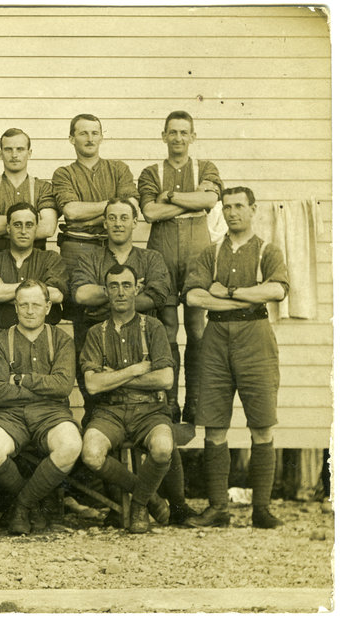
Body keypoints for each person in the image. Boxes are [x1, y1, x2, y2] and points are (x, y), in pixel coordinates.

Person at [184, 186, 289, 529]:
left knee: (262, 423)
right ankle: (218, 509)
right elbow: (196, 297)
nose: (232, 213)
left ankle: (261, 509)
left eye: (239, 206)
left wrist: (230, 292)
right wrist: (247, 297)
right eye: (227, 207)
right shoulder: (210, 253)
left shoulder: (267, 250)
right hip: (215, 338)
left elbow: (276, 290)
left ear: (253, 210)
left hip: (256, 337)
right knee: (214, 424)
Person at [139, 111, 223, 424]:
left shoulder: (206, 167)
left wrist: (171, 197)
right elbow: (149, 211)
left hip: (197, 254)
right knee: (167, 327)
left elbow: (211, 201)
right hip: (161, 253)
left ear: (193, 136)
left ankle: (196, 401)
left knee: (197, 326)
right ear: (163, 136)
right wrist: (193, 200)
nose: (178, 138)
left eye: (184, 132)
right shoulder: (151, 171)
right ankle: (170, 403)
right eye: (172, 132)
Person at [79, 264, 175, 534]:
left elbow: (165, 379)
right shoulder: (96, 333)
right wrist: (135, 370)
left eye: (126, 285)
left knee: (163, 447)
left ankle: (140, 505)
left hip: (150, 410)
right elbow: (93, 385)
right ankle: (149, 496)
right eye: (113, 286)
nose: (120, 292)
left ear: (137, 289)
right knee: (91, 454)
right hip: (110, 412)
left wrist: (115, 377)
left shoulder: (153, 327)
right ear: (106, 291)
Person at [0, 279, 81, 534]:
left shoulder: (62, 340)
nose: (29, 310)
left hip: (52, 414)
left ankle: (23, 506)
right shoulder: (1, 341)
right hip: (10, 416)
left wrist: (21, 379)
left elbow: (62, 387)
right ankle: (36, 505)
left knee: (70, 445)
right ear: (15, 307)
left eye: (36, 304)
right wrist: (41, 388)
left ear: (48, 307)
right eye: (23, 304)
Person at [71, 198, 170, 416]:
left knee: (148, 406)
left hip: (141, 339)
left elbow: (157, 297)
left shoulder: (151, 258)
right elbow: (80, 294)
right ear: (104, 223)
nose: (118, 223)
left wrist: (102, 297)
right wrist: (129, 292)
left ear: (135, 222)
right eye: (112, 218)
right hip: (99, 341)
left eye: (124, 218)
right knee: (97, 411)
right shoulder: (89, 259)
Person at [52, 114, 138, 317]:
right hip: (77, 248)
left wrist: (87, 218)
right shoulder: (64, 173)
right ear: (72, 139)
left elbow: (132, 205)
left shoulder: (118, 169)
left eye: (94, 133)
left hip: (113, 247)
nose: (90, 139)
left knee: (115, 305)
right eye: (83, 133)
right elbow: (71, 211)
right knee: (79, 311)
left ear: (101, 137)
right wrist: (114, 209)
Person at [0, 202, 67, 336]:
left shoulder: (50, 259)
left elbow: (57, 295)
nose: (23, 231)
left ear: (36, 228)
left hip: (43, 338)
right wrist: (39, 291)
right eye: (17, 224)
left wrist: (5, 292)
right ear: (8, 228)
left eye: (29, 225)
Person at [0, 128, 58, 253]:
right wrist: (31, 224)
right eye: (8, 149)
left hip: (36, 261)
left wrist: (1, 228)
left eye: (20, 149)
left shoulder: (43, 188)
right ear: (0, 153)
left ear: (29, 153)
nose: (14, 155)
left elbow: (48, 228)